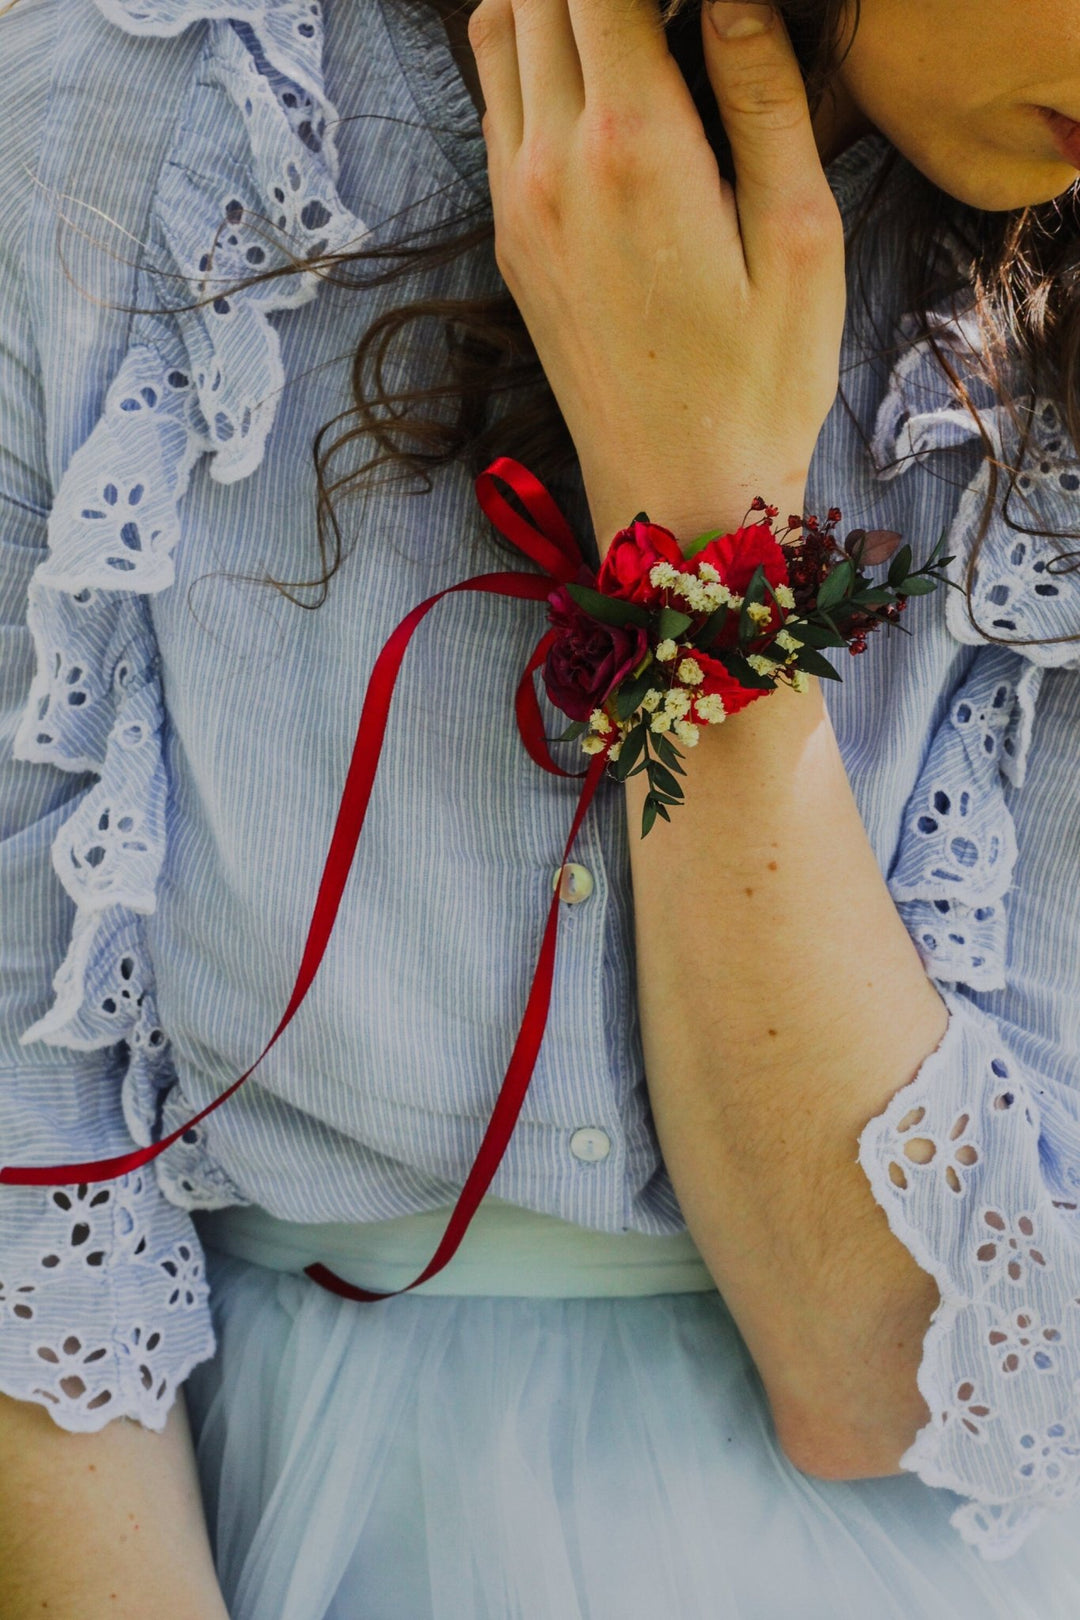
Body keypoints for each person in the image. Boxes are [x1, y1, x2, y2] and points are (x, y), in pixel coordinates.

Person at [3, 0, 1080, 1612]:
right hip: (246, 1522)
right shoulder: (128, 131)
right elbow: (33, 1168)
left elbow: (888, 1374)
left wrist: (707, 520)